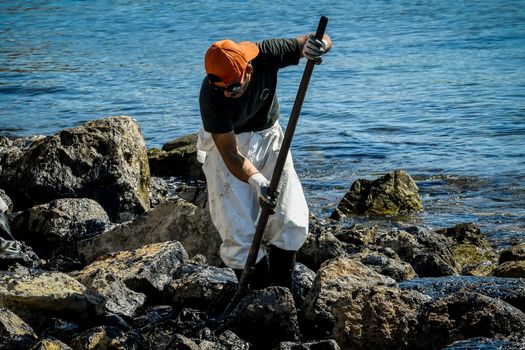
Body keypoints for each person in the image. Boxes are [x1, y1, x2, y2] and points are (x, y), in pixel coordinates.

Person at [197, 32, 332, 290]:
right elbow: (230, 154)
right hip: (229, 147)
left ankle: (282, 291)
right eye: (220, 87)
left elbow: (320, 38)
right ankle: (255, 294)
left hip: (270, 139)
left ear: (248, 69)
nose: (227, 93)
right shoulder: (211, 96)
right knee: (237, 227)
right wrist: (258, 181)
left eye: (233, 87)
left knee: (290, 217)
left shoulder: (267, 54)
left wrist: (319, 46)